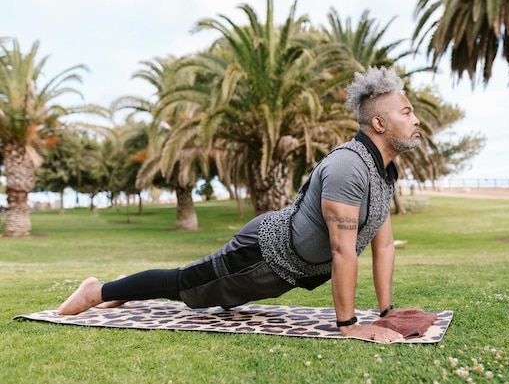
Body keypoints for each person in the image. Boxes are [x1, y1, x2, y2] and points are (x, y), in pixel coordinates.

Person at [58, 66, 421, 343]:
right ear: (378, 122)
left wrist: (386, 312)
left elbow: (382, 242)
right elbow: (343, 250)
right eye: (406, 112)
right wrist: (349, 327)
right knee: (185, 287)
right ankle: (99, 289)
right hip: (260, 255)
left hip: (288, 272)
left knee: (217, 302)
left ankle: (125, 288)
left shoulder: (383, 170)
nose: (416, 119)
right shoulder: (348, 166)